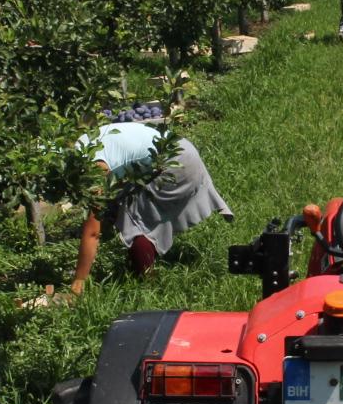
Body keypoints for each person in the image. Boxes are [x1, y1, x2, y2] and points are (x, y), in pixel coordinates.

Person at [69, 122, 233, 296]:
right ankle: (139, 269)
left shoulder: (92, 166)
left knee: (135, 221)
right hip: (181, 148)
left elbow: (92, 231)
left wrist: (79, 280)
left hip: (172, 162)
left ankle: (148, 284)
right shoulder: (86, 142)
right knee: (129, 205)